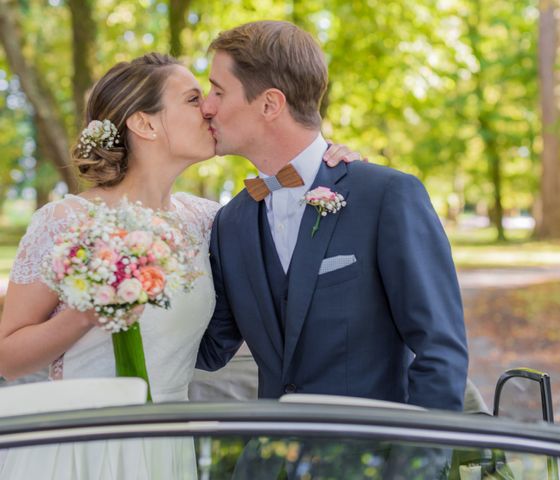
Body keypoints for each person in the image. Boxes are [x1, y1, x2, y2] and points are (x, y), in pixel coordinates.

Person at [0, 52, 359, 479]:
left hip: (167, 442)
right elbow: (7, 358)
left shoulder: (210, 221)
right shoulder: (65, 222)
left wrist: (329, 165)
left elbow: (290, 224)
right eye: (192, 99)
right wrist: (85, 316)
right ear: (145, 124)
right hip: (82, 444)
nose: (210, 107)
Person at [197, 21, 468, 411]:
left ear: (270, 104)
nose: (207, 106)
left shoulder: (385, 196)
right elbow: (210, 350)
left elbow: (440, 351)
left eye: (218, 91)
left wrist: (414, 464)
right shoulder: (230, 223)